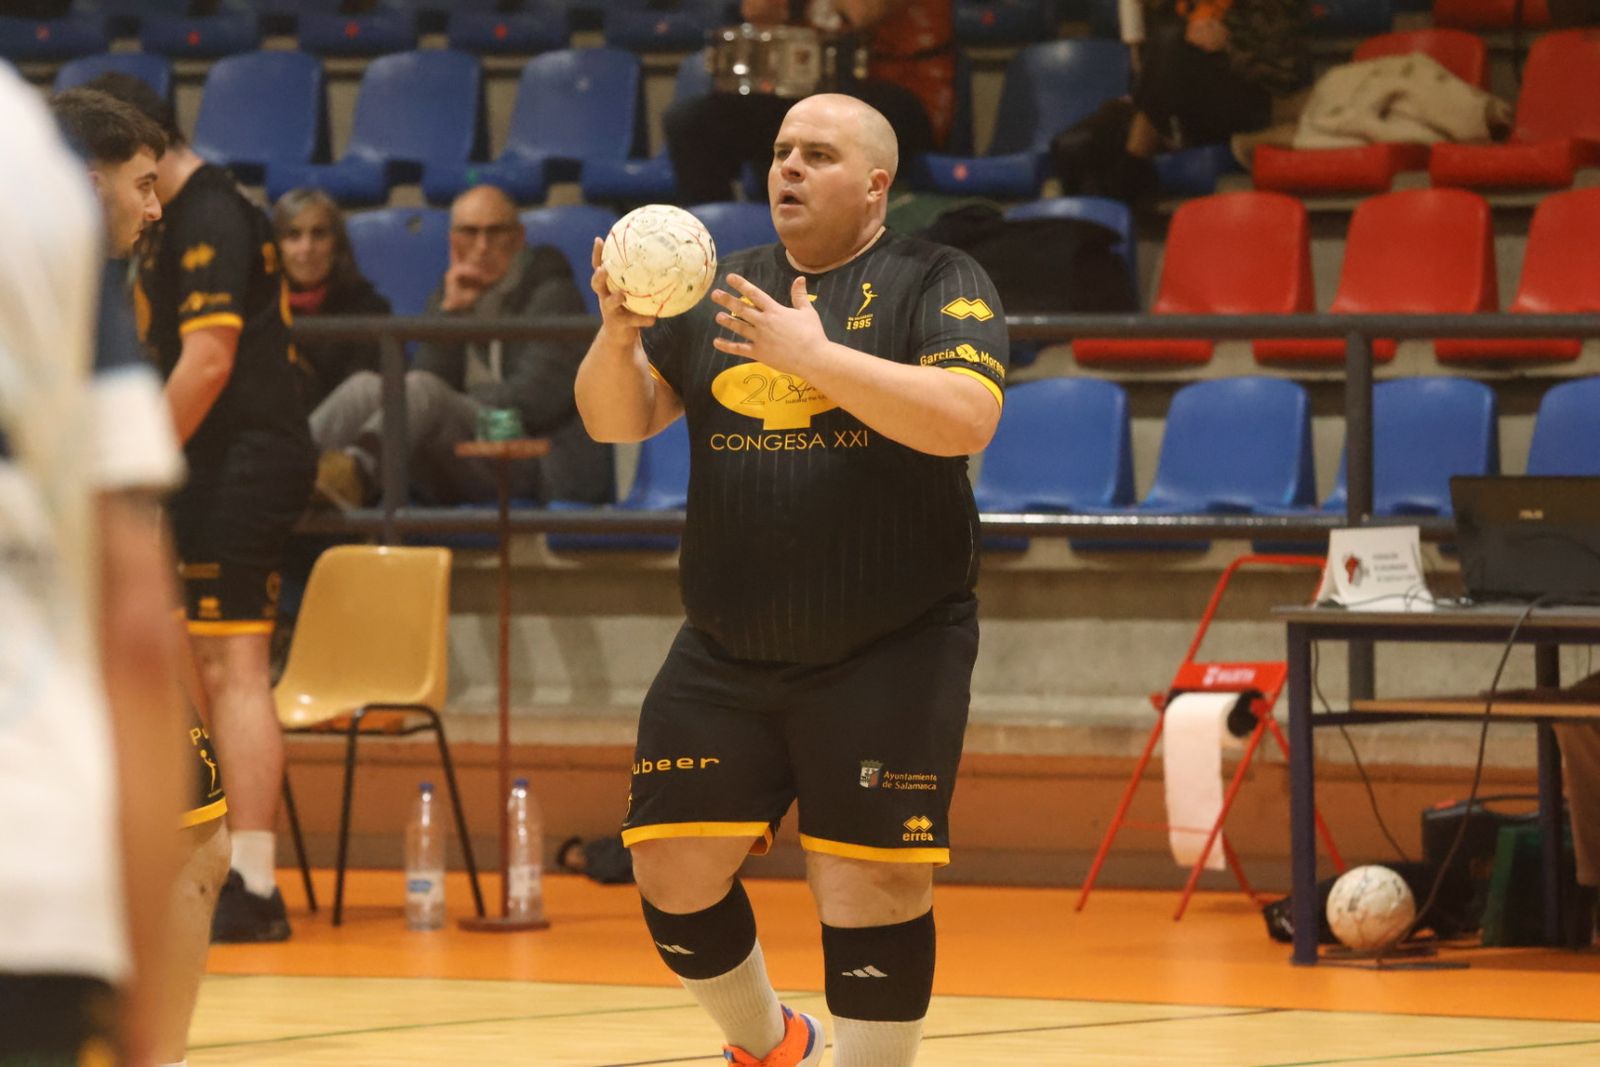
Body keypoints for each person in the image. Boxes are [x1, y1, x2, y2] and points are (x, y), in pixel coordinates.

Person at [576, 94, 1007, 1067]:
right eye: (780, 153)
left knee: (869, 884)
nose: (789, 170)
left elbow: (966, 416)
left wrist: (818, 357)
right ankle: (771, 1043)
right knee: (669, 865)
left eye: (817, 154)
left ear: (875, 183)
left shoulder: (938, 276)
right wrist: (614, 333)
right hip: (726, 644)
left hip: (888, 643)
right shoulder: (723, 285)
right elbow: (616, 419)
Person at [88, 72, 317, 944]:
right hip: (201, 462)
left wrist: (131, 471)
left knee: (234, 667)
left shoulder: (212, 213)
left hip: (242, 461)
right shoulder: (170, 221)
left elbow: (208, 362)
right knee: (193, 670)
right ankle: (206, 861)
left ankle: (254, 882)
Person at [50, 86, 236, 1067]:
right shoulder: (73, 282)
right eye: (143, 184)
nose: (157, 208)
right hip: (55, 623)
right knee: (195, 845)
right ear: (87, 182)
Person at [0, 68, 182, 1067]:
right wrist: (151, 1016)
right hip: (29, 882)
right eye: (144, 184)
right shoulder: (28, 167)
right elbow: (137, 621)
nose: (154, 210)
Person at [311, 184, 611, 510]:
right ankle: (281, 468)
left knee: (425, 392)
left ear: (519, 237)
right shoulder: (448, 292)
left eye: (496, 232)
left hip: (535, 453)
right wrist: (451, 315)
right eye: (470, 233)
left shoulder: (552, 294)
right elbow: (424, 382)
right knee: (365, 388)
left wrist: (451, 402)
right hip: (469, 449)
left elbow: (535, 404)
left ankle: (353, 473)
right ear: (453, 240)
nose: (482, 246)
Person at [664, 0, 954, 205]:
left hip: (904, 91)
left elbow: (859, 11)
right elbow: (757, 14)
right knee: (691, 122)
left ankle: (815, 251)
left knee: (818, 128)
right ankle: (713, 247)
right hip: (812, 94)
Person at [271, 187, 392, 413]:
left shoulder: (369, 309)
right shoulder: (259, 308)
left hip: (340, 437)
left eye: (319, 234)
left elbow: (367, 403)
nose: (306, 248)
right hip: (271, 431)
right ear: (277, 247)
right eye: (293, 236)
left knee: (363, 388)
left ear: (337, 245)